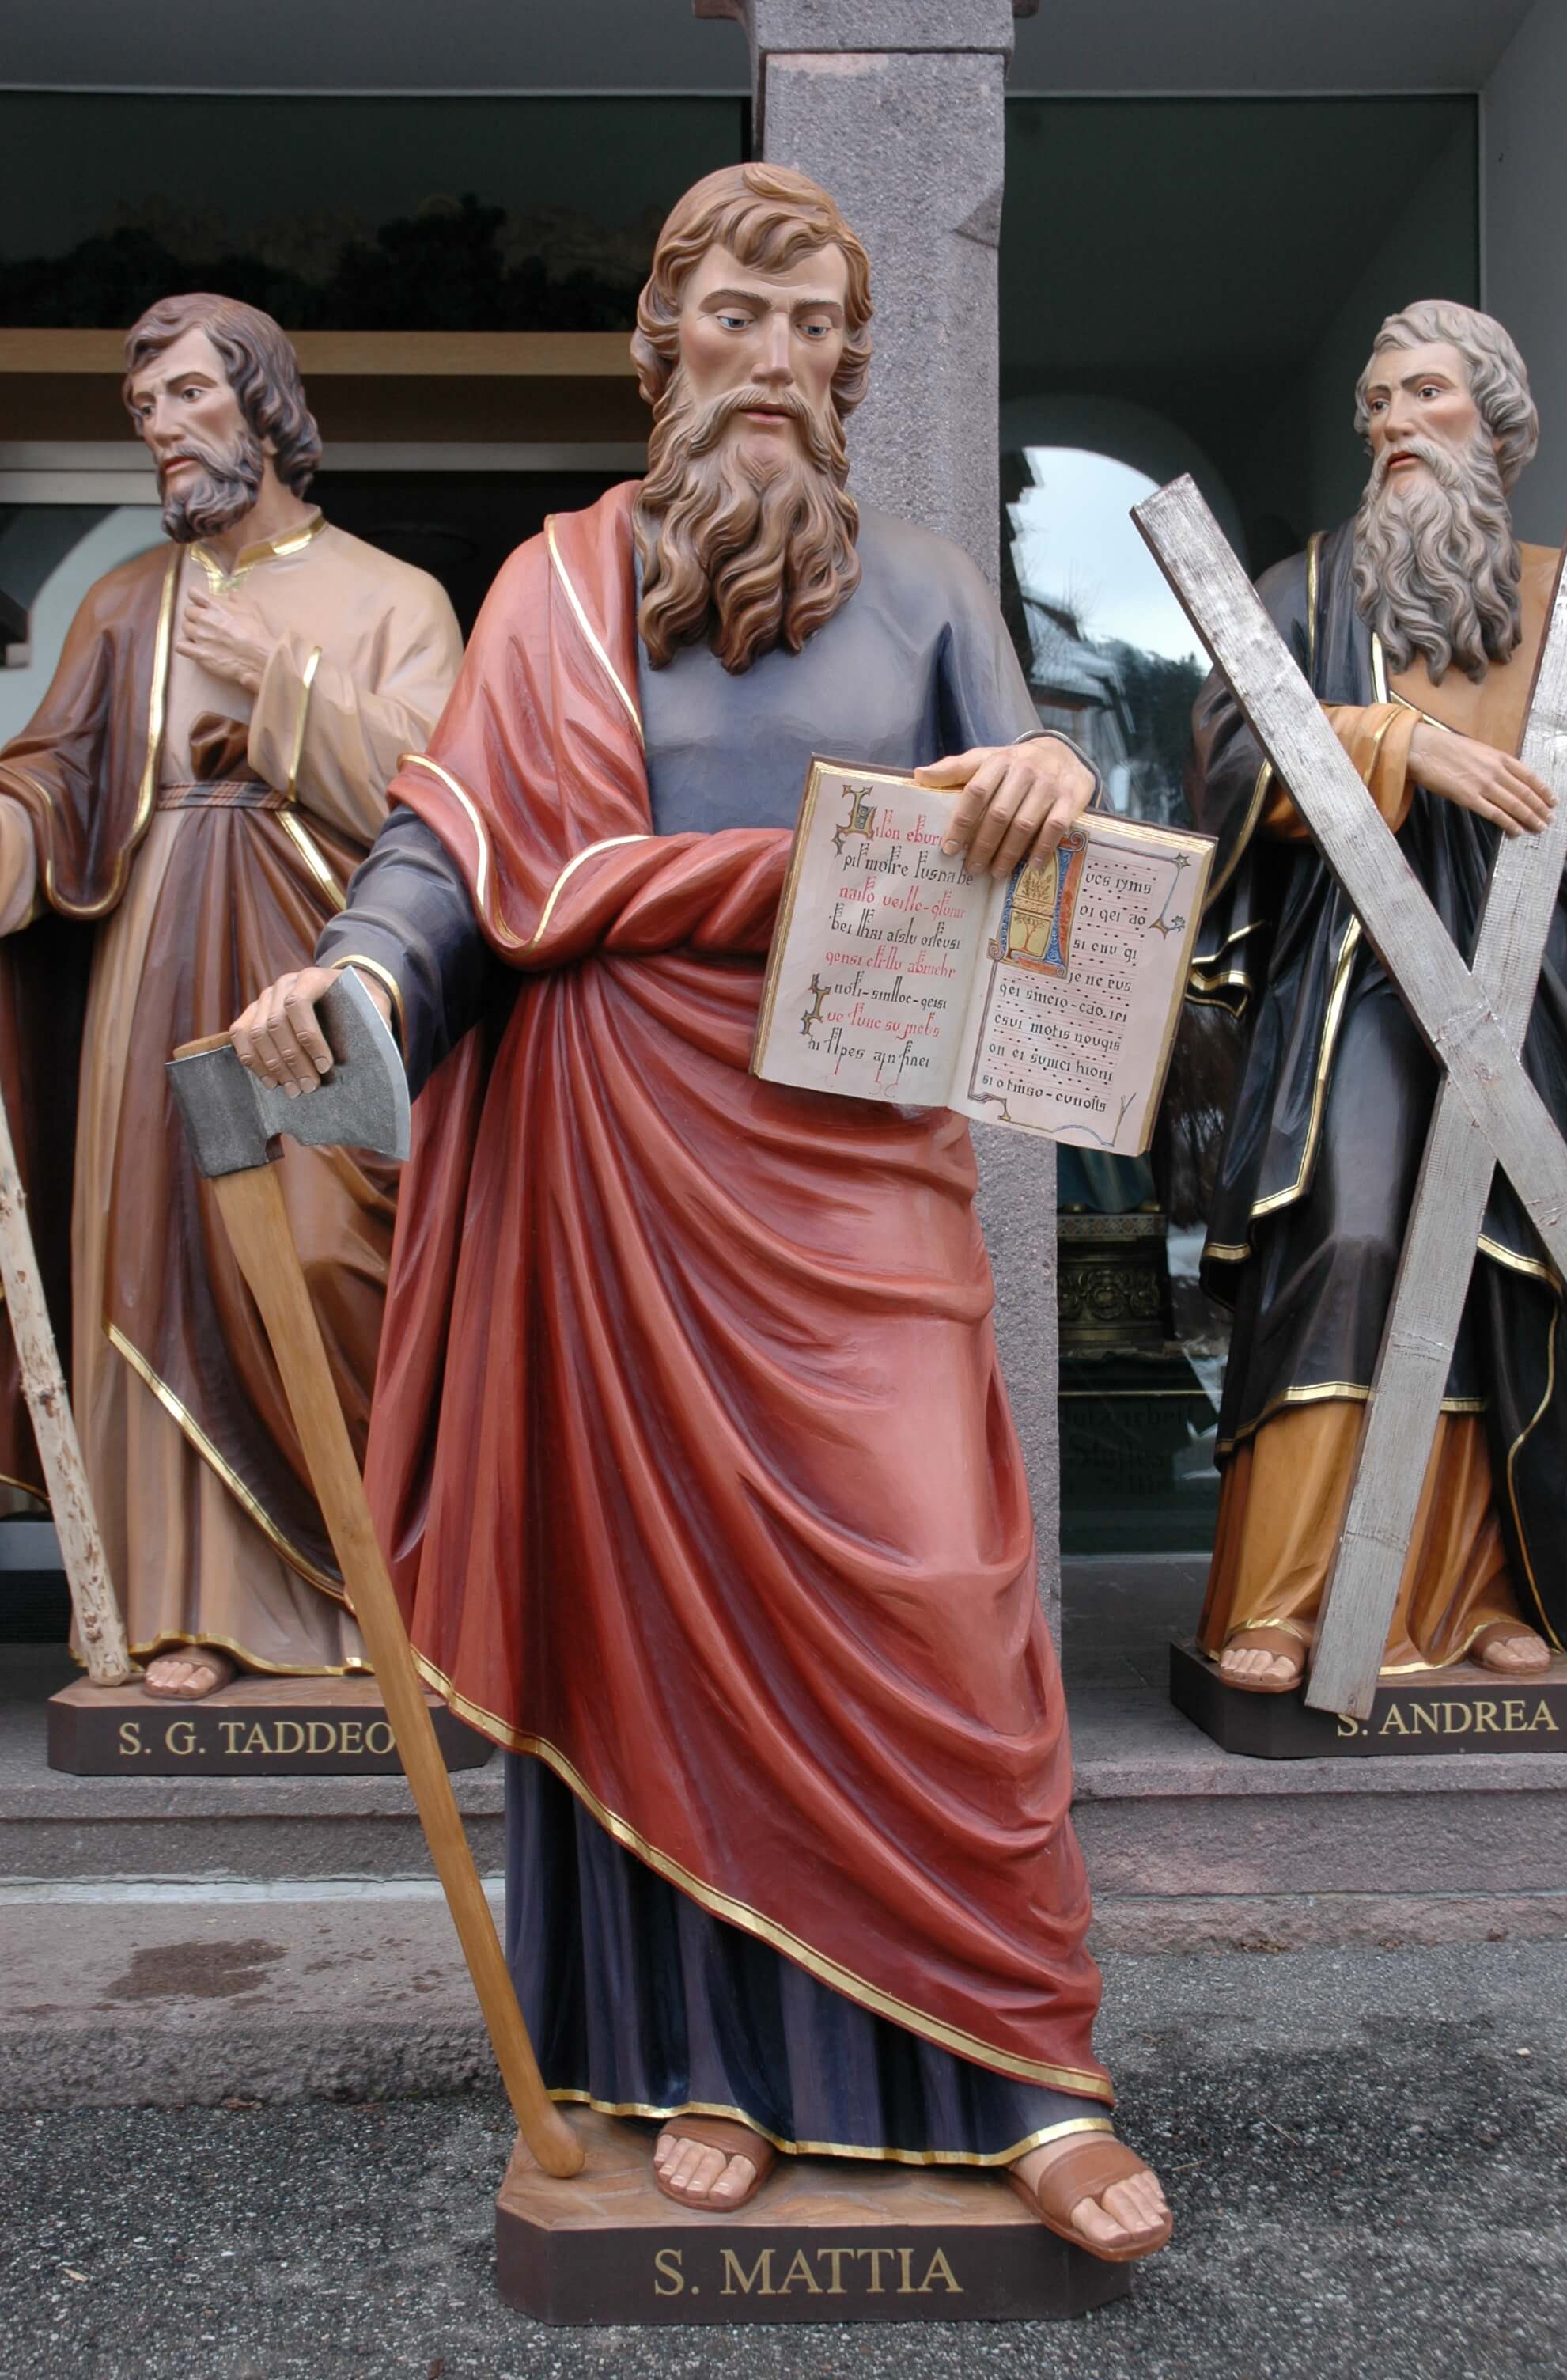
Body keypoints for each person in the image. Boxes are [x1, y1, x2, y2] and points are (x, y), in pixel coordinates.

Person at [234, 165, 1170, 2262]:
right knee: (660, 1637)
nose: (773, 354)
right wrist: (358, 978)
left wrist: (1043, 792)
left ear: (852, 360)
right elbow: (444, 852)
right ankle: (710, 2068)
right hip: (619, 1171)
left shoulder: (929, 591)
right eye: (733, 315)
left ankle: (1028, 2072)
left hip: (858, 1165)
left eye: (813, 320)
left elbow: (1047, 836)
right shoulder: (553, 593)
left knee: (943, 1592)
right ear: (663, 351)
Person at [0, 294, 460, 1700]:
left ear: (265, 404)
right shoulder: (124, 603)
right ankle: (186, 1608)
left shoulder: (395, 598)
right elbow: (53, 782)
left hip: (322, 972)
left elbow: (450, 803)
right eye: (145, 413)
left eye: (191, 397)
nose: (164, 432)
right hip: (152, 966)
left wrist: (286, 685)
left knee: (330, 1251)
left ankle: (397, 1590)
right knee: (155, 1267)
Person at [1187, 298, 1567, 1692]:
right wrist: (1399, 746)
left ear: (1501, 422)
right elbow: (1233, 759)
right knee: (1352, 1238)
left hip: (1533, 979)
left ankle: (1477, 1595)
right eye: (1377, 404)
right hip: (1360, 967)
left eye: (1426, 395)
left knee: (1497, 1269)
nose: (1395, 426)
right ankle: (1293, 1598)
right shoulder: (1304, 593)